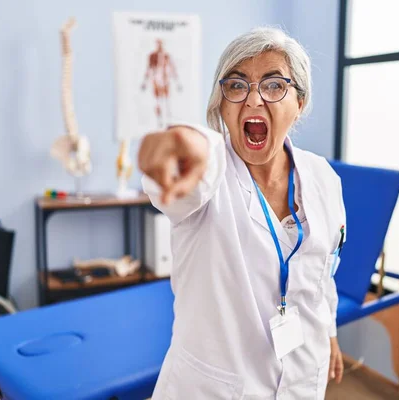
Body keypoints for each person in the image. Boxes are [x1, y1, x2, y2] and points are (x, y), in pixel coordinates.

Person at [138, 26, 346, 399]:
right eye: (236, 85)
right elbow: (177, 169)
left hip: (302, 379)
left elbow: (322, 272)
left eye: (273, 85)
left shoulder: (324, 179)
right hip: (213, 388)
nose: (253, 100)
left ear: (299, 103)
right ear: (221, 103)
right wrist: (172, 151)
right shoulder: (208, 177)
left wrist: (328, 332)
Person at [140, 39, 182, 128]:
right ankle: (159, 121)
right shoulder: (152, 56)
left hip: (165, 80)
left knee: (167, 102)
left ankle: (168, 122)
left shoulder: (167, 56)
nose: (159, 45)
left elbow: (172, 68)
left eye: (161, 44)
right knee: (158, 102)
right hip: (156, 80)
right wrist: (145, 82)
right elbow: (149, 69)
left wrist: (177, 82)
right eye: (158, 44)